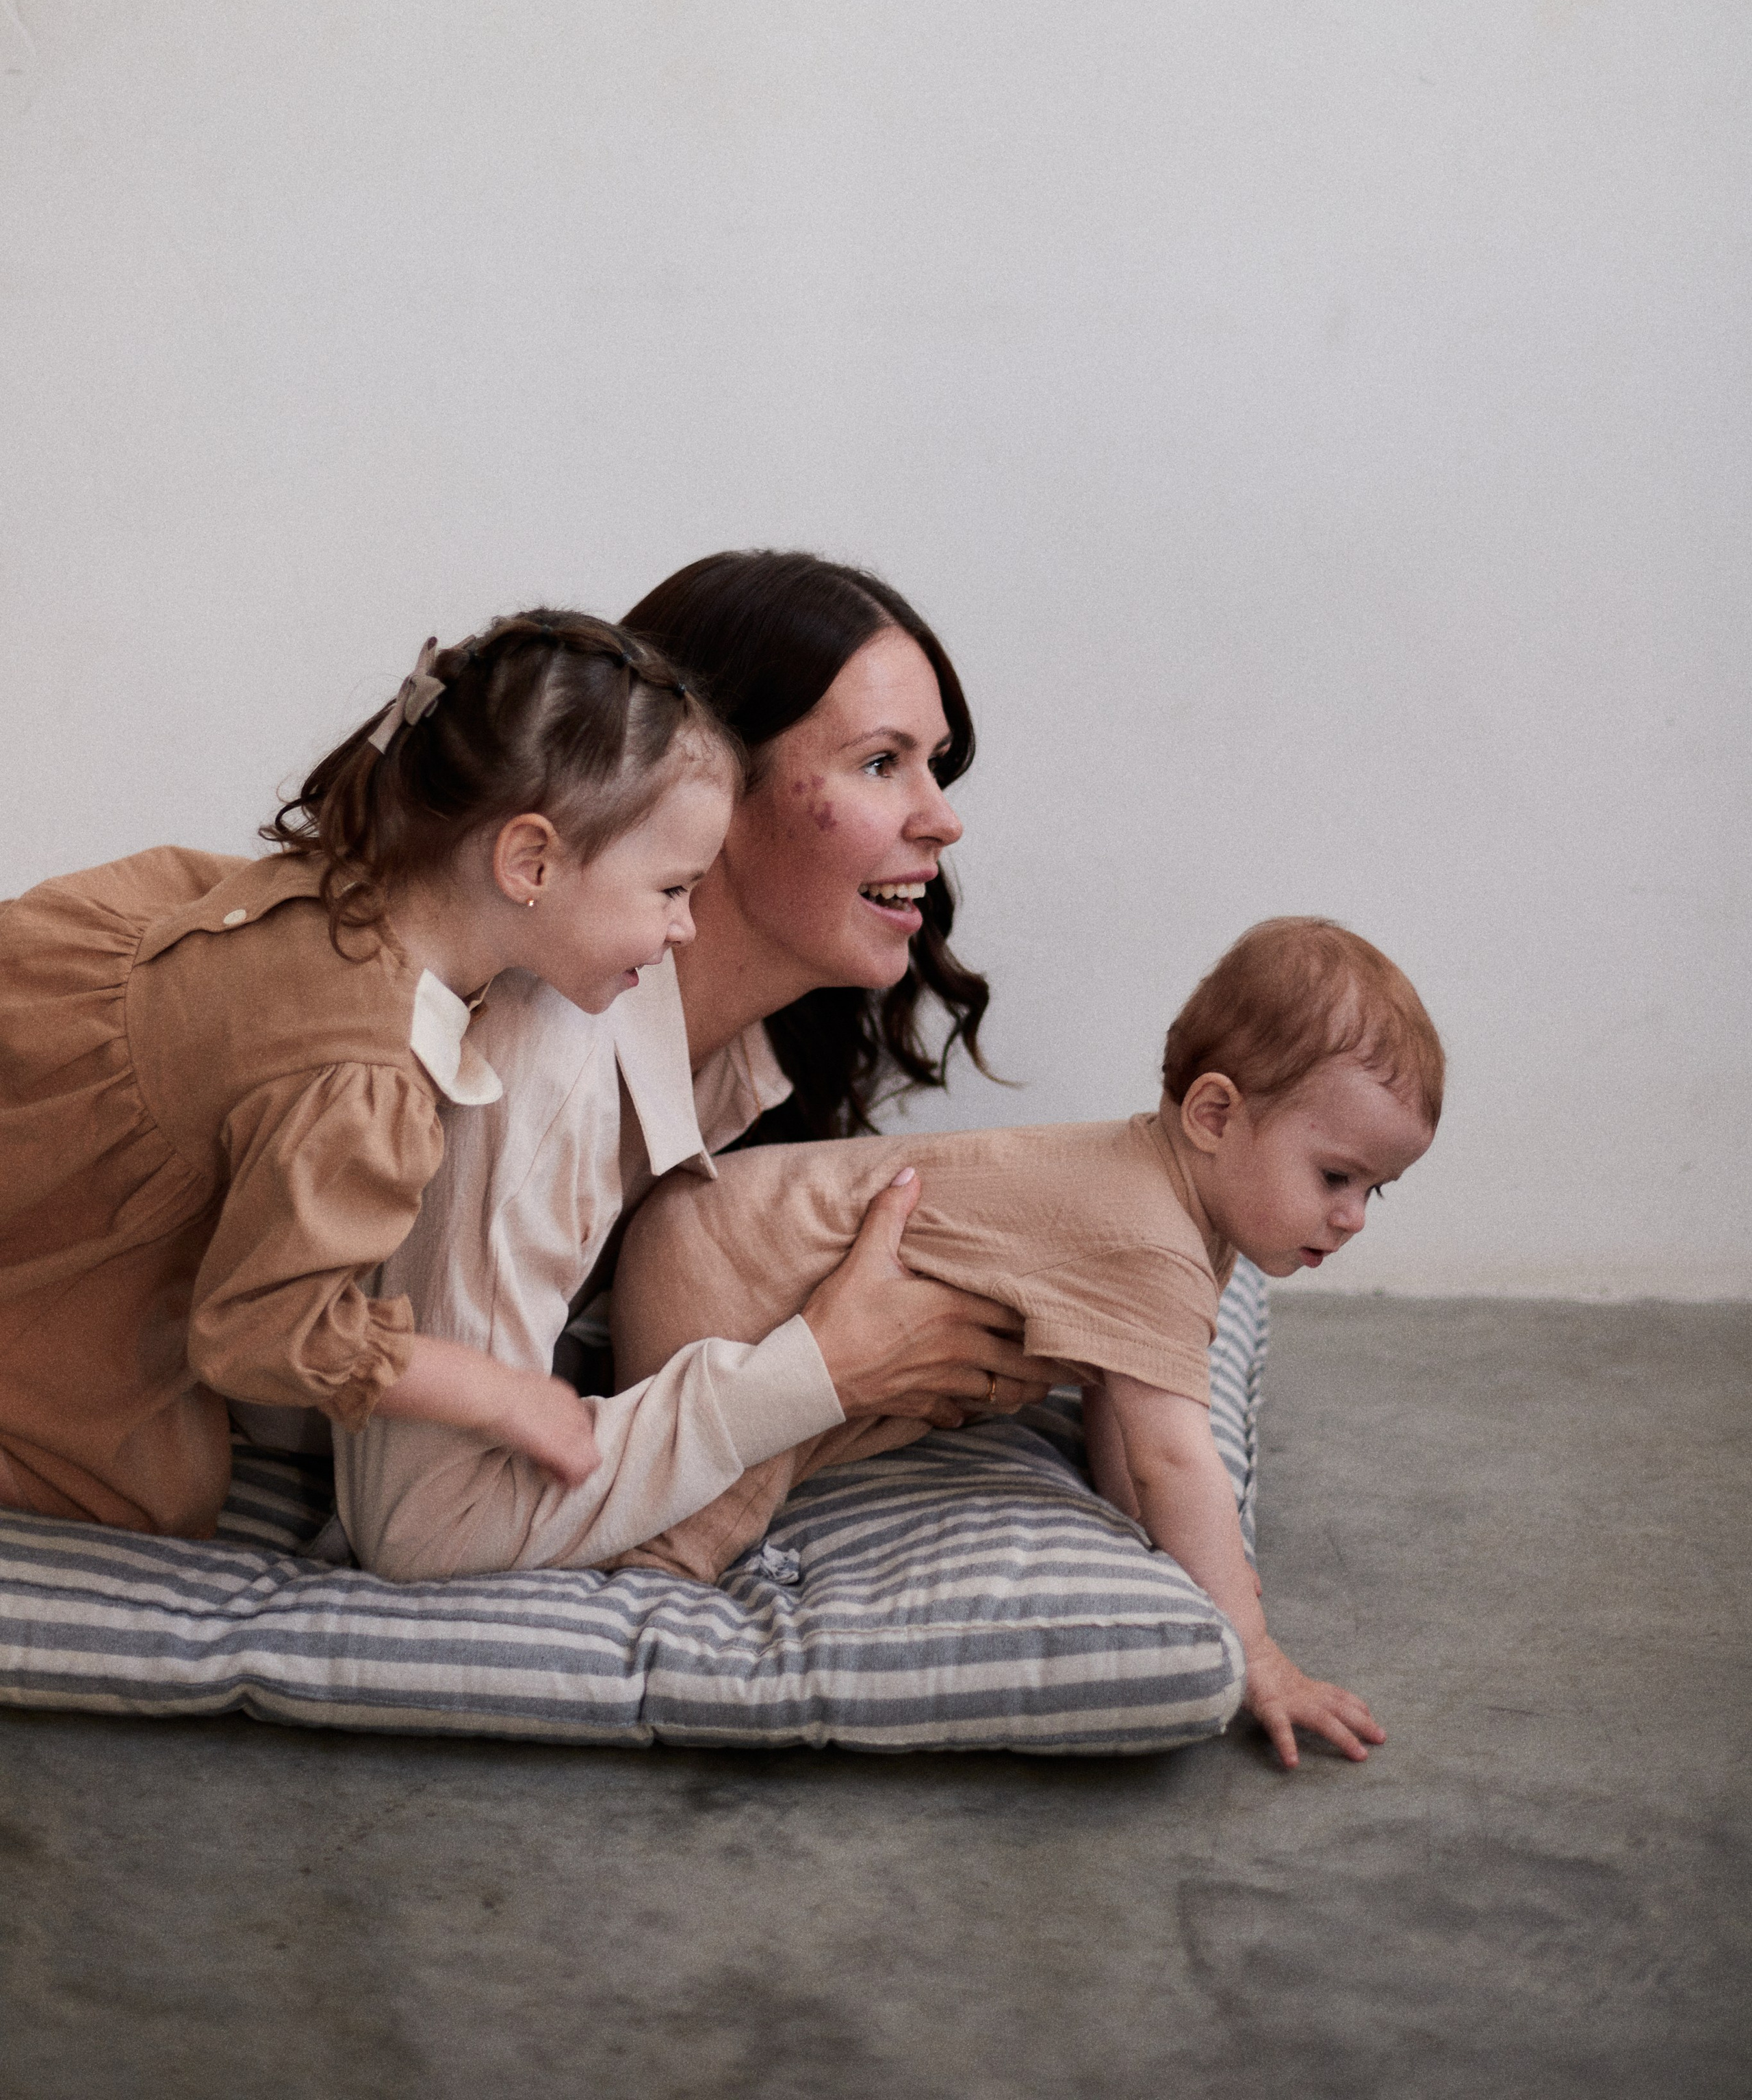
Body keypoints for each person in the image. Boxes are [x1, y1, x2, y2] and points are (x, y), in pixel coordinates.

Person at [334, 550, 1053, 1580]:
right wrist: (819, 1372)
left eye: (935, 763)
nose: (943, 817)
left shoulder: (738, 1055)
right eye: (881, 763)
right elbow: (422, 1526)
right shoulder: (542, 1059)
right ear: (707, 788)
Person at [609, 919, 1443, 1769]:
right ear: (1215, 1114)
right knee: (714, 1501)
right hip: (717, 1264)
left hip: (714, 1231)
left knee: (805, 1426)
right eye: (1334, 1177)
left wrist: (1176, 1553)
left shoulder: (1184, 1214)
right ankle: (641, 1613)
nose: (1351, 1218)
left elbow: (1129, 1423)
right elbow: (1174, 1461)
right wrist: (1255, 1647)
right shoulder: (1152, 1241)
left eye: (1376, 1191)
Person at [0, 609, 746, 1535]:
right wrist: (498, 1393)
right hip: (56, 1204)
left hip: (52, 1092)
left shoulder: (343, 894)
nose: (686, 929)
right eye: (673, 889)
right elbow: (262, 1332)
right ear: (529, 863)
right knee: (161, 1487)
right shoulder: (368, 1080)